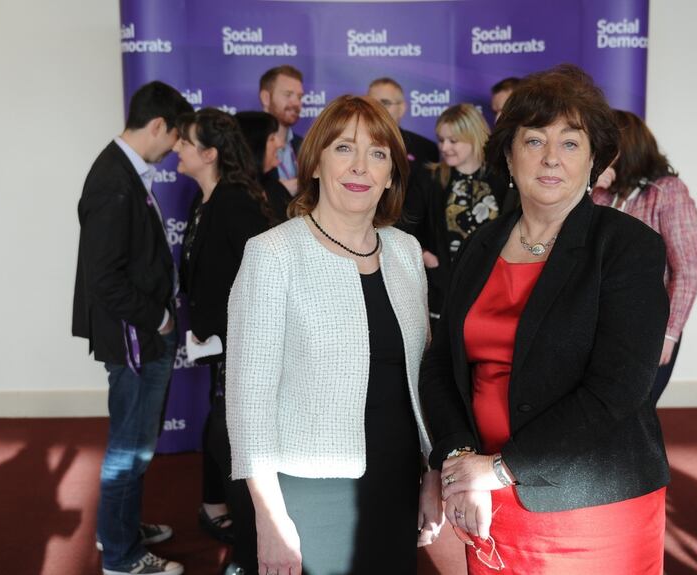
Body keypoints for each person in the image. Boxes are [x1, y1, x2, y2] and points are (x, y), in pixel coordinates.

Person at [419, 65, 672, 574]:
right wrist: (461, 460)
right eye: (534, 140)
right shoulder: (481, 245)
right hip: (487, 499)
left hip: (591, 507)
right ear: (509, 156)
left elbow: (618, 389)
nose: (551, 157)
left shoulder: (627, 246)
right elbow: (441, 364)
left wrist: (500, 468)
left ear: (594, 160)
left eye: (570, 143)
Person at [226, 95, 443, 575]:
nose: (361, 166)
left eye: (378, 153)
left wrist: (431, 472)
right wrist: (270, 517)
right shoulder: (273, 254)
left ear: (392, 175)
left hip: (396, 479)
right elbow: (247, 402)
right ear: (315, 163)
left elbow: (422, 377)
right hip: (307, 490)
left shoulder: (406, 251)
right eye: (344, 148)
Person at [72, 80, 193, 575]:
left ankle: (118, 529)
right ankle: (121, 557)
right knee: (130, 447)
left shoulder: (123, 171)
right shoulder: (113, 180)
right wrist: (159, 318)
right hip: (135, 336)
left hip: (139, 332)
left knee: (135, 443)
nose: (177, 147)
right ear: (159, 125)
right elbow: (104, 278)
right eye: (177, 135)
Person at [173, 108, 277, 573]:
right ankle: (243, 543)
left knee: (235, 445)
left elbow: (263, 277)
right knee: (223, 438)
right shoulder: (206, 200)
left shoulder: (234, 203)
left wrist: (224, 328)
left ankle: (249, 554)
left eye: (186, 142)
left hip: (244, 346)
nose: (177, 148)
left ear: (210, 153)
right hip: (221, 346)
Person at [591, 109, 697, 402]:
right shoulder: (600, 192)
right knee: (598, 409)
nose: (596, 152)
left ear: (625, 147)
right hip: (599, 321)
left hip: (648, 325)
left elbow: (688, 271)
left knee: (637, 409)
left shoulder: (667, 192)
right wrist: (587, 184)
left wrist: (669, 334)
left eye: (604, 145)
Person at [402, 103, 507, 324]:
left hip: (494, 287)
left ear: (473, 137)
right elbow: (403, 225)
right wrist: (426, 255)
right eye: (441, 140)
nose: (445, 147)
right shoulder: (429, 177)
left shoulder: (501, 178)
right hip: (443, 289)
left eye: (453, 141)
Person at [367, 77, 440, 168]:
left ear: (402, 108)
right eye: (372, 103)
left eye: (385, 103)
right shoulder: (355, 144)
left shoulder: (426, 149)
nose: (377, 109)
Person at [234, 110, 292, 222]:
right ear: (253, 146)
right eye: (272, 139)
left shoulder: (275, 189)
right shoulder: (232, 197)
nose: (280, 144)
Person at [259, 65, 304, 196]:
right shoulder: (245, 145)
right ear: (266, 98)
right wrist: (279, 190)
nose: (296, 103)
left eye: (300, 97)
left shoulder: (303, 145)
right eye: (288, 95)